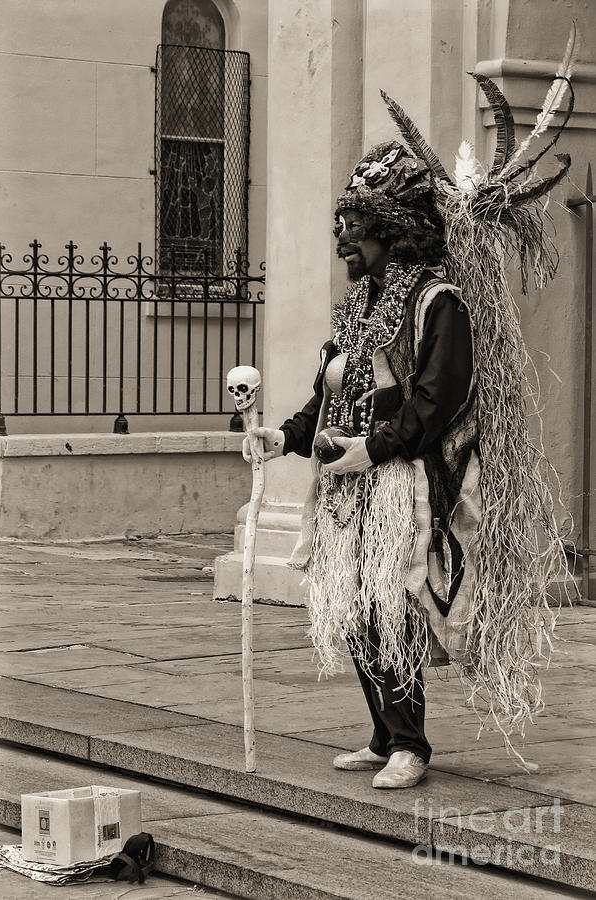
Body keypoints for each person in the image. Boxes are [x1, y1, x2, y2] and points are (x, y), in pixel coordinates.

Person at [243, 60, 574, 785]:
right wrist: (286, 437)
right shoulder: (357, 306)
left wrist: (373, 450)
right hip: (346, 483)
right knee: (354, 607)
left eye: (353, 229)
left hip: (404, 484)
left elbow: (435, 402)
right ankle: (381, 731)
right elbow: (328, 391)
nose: (341, 243)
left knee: (391, 604)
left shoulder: (439, 302)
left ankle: (410, 745)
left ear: (391, 232)